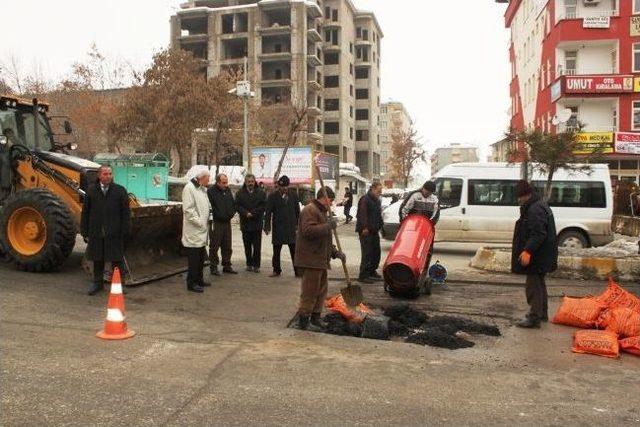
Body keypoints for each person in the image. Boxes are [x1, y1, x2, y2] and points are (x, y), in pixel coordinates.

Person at [293, 187, 345, 331]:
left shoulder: (321, 212)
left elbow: (325, 239)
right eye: (331, 200)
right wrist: (327, 226)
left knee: (320, 291)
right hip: (311, 259)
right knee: (310, 292)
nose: (332, 203)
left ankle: (315, 318)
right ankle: (304, 321)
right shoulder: (310, 210)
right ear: (324, 197)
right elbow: (308, 231)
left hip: (320, 259)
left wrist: (335, 252)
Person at [511, 180, 558, 328]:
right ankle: (541, 313)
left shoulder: (534, 209)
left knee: (533, 285)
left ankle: (534, 317)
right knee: (539, 283)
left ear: (525, 195)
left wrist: (527, 251)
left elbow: (538, 233)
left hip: (538, 254)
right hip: (544, 253)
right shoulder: (538, 204)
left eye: (519, 197)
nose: (518, 201)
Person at [81, 165, 131, 296]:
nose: (108, 176)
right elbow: (85, 212)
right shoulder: (91, 191)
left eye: (110, 174)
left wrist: (126, 230)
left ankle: (119, 285)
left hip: (114, 231)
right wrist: (84, 231)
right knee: (98, 259)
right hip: (97, 232)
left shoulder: (120, 191)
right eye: (105, 174)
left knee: (116, 259)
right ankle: (98, 283)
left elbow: (126, 213)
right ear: (99, 176)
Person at [181, 169, 212, 293]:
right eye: (208, 179)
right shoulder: (189, 189)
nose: (209, 181)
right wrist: (200, 223)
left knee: (200, 258)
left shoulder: (202, 189)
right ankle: (191, 283)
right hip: (194, 231)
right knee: (194, 259)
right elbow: (189, 210)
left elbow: (207, 206)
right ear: (202, 178)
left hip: (202, 231)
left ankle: (199, 279)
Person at [264, 175, 300, 277]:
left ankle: (297, 271)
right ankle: (276, 270)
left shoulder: (293, 195)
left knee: (294, 250)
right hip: (278, 227)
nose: (284, 188)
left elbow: (297, 211)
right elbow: (268, 212)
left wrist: (298, 225)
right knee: (276, 250)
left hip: (291, 227)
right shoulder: (273, 196)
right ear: (279, 186)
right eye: (282, 187)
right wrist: (267, 226)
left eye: (286, 186)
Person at [235, 174, 266, 273]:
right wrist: (245, 213)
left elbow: (263, 206)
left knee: (257, 246)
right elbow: (237, 205)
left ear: (255, 181)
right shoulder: (240, 193)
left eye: (252, 181)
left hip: (256, 223)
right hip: (245, 223)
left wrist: (252, 213)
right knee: (247, 246)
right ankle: (249, 264)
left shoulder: (261, 193)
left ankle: (256, 265)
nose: (250, 184)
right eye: (248, 182)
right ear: (245, 182)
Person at [208, 173, 238, 276]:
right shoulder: (211, 192)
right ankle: (213, 266)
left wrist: (231, 213)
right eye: (223, 183)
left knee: (227, 245)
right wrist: (218, 215)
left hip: (227, 222)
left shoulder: (228, 190)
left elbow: (232, 204)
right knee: (214, 245)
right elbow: (210, 207)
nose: (226, 185)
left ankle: (227, 265)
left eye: (226, 182)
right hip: (216, 222)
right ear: (218, 182)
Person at [356, 182, 384, 284]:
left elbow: (378, 214)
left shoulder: (376, 201)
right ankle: (363, 275)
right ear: (372, 189)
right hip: (366, 231)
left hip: (374, 230)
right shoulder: (365, 199)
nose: (380, 193)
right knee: (367, 253)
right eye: (378, 191)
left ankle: (372, 271)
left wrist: (381, 225)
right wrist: (364, 227)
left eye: (380, 191)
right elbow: (362, 214)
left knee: (376, 252)